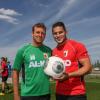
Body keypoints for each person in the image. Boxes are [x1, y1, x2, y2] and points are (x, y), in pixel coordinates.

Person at [52, 22, 92, 100]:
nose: (58, 35)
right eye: (55, 33)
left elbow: (88, 67)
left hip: (76, 93)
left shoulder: (77, 46)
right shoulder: (53, 51)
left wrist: (69, 75)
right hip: (59, 93)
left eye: (60, 32)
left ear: (66, 32)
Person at [12, 23, 52, 100]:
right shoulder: (23, 50)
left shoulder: (49, 51)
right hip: (28, 94)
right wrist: (16, 95)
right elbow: (15, 72)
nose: (40, 35)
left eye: (43, 33)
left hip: (46, 93)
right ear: (32, 33)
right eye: (37, 32)